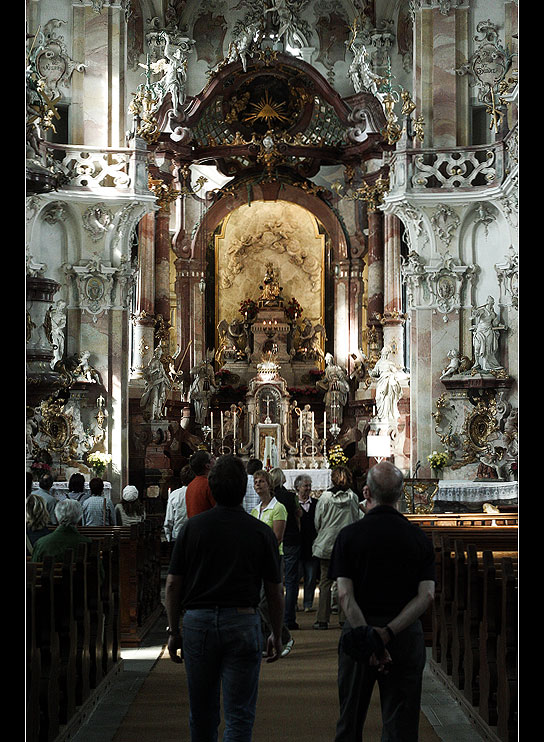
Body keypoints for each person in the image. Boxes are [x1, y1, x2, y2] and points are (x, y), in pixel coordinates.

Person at [165, 455, 285, 742]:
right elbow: (274, 589)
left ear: (212, 489)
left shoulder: (192, 529)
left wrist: (173, 629)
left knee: (202, 713)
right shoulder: (260, 531)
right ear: (243, 490)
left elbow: (172, 584)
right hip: (243, 621)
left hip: (198, 622)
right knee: (239, 715)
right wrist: (277, 634)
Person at [329, 461, 436, 741]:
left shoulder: (349, 536)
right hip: (404, 636)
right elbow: (426, 595)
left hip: (358, 634)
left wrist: (369, 637)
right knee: (401, 726)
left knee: (350, 722)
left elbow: (344, 595)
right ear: (400, 494)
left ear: (366, 492)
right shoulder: (418, 537)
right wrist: (388, 634)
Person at [312, 466, 362, 629]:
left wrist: (324, 533)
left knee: (325, 583)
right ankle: (343, 618)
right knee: (345, 581)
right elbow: (356, 519)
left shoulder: (325, 498)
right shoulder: (353, 497)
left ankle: (322, 620)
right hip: (346, 544)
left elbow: (318, 521)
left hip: (327, 543)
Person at [251, 469, 294, 657]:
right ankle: (264, 642)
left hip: (273, 557)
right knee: (257, 600)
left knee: (265, 601)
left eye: (261, 481)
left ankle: (284, 636)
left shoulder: (278, 508)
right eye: (255, 482)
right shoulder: (255, 510)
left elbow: (277, 537)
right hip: (257, 559)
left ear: (269, 484)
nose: (258, 485)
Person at [270, 467, 302, 630]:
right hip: (291, 539)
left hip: (274, 541)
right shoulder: (291, 496)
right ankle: (289, 619)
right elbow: (298, 514)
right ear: (282, 479)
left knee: (275, 581)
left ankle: (273, 619)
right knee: (290, 580)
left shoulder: (270, 497)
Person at [31, 499, 93, 563]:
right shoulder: (88, 543)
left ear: (56, 516)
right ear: (79, 518)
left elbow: (33, 569)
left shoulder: (41, 543)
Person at [294, 473, 319, 612]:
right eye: (305, 486)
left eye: (309, 485)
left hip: (312, 543)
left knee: (311, 576)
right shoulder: (294, 504)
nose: (308, 488)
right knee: (296, 576)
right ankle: (294, 603)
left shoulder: (316, 503)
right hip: (298, 544)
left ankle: (308, 603)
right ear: (298, 487)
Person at [163, 465, 195, 542]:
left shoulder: (175, 495)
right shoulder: (199, 493)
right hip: (195, 535)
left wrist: (168, 536)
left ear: (182, 480)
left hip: (178, 535)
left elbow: (169, 519)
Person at [185, 450, 215, 518]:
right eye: (212, 458)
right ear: (208, 466)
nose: (215, 458)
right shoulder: (208, 485)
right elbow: (219, 509)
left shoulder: (191, 485)